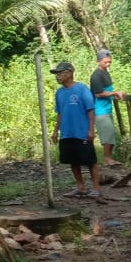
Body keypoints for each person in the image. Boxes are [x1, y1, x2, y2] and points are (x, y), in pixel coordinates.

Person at [50, 61, 101, 198]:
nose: (58, 76)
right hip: (67, 133)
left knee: (90, 161)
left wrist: (91, 130)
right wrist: (56, 131)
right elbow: (60, 113)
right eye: (57, 74)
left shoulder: (82, 89)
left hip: (82, 132)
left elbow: (90, 110)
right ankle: (81, 187)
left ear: (69, 73)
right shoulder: (59, 93)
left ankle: (96, 188)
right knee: (72, 161)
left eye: (60, 73)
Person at [90, 49, 126, 166]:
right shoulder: (96, 75)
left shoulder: (106, 73)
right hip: (100, 110)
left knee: (111, 133)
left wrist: (114, 95)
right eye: (105, 62)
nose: (108, 64)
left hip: (107, 108)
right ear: (98, 62)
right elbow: (98, 93)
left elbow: (107, 90)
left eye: (109, 62)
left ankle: (109, 158)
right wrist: (114, 93)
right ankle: (106, 158)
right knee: (107, 133)